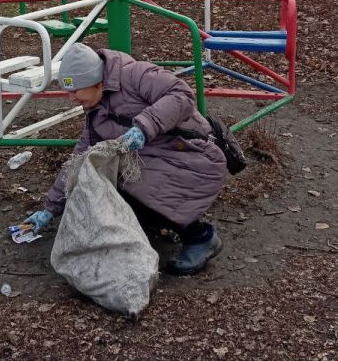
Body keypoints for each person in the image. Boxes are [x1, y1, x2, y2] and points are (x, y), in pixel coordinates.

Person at [13, 42, 227, 275]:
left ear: (96, 83)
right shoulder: (96, 110)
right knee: (105, 184)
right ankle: (160, 224)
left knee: (138, 187)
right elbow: (79, 159)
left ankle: (200, 237)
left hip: (193, 153)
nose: (71, 98)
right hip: (158, 157)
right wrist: (49, 209)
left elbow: (182, 96)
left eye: (75, 91)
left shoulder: (135, 74)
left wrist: (144, 126)